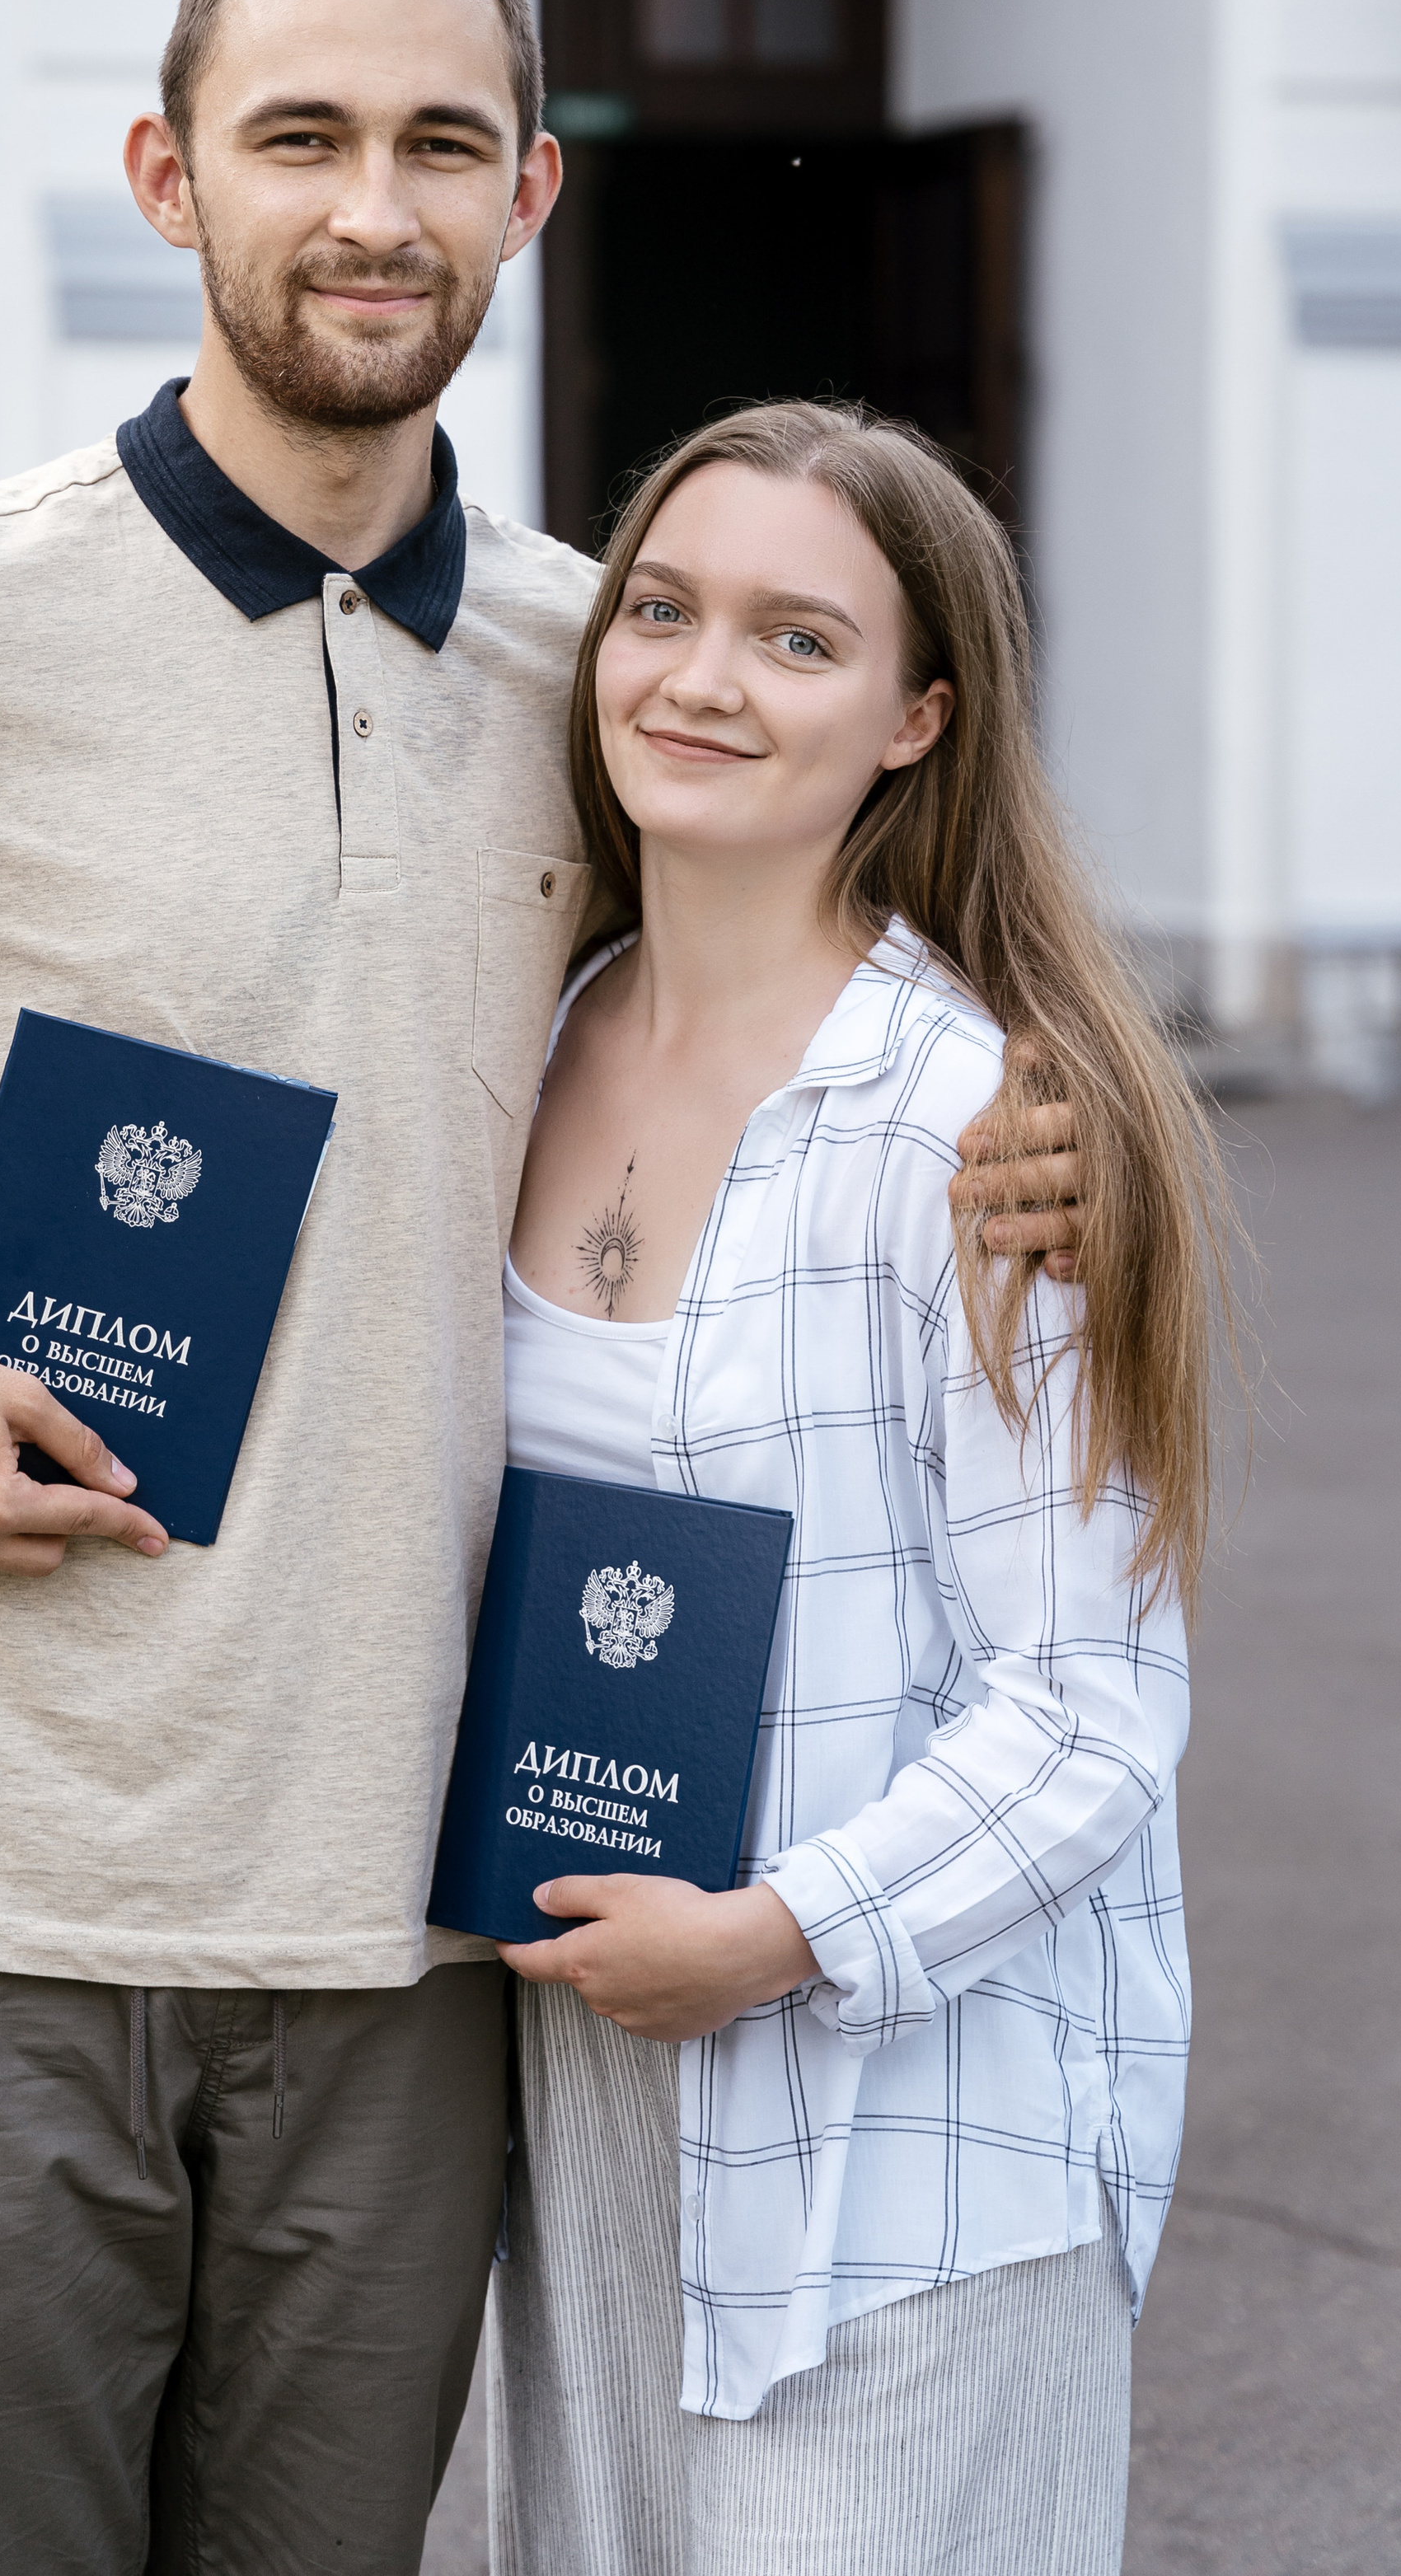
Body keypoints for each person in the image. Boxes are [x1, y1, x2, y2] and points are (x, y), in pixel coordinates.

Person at [0, 0, 1080, 2576]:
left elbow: (838, 983)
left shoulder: (598, 671)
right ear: (169, 177)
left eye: (439, 143)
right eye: (299, 135)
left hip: (409, 1928)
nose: (371, 208)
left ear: (531, 191)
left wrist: (1052, 1122)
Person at [490, 400, 1228, 2576]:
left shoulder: (981, 1136)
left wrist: (776, 1937)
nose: (702, 680)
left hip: (908, 2131)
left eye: (797, 640)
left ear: (920, 718)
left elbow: (1091, 1710)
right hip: (585, 2084)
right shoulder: (521, 1039)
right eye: (662, 609)